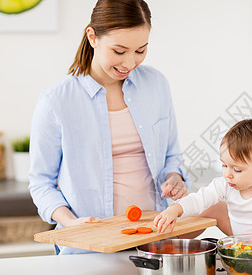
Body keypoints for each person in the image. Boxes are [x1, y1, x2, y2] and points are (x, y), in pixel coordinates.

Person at [29, 0, 190, 255]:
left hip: (154, 240)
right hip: (88, 246)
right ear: (92, 37)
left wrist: (175, 178)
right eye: (119, 51)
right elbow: (40, 183)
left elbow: (172, 156)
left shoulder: (156, 85)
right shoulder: (56, 102)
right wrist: (71, 223)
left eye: (140, 50)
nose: (130, 63)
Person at [154, 119, 252, 238]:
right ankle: (171, 241)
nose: (228, 174)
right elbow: (199, 199)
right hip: (241, 241)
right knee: (208, 205)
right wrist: (174, 209)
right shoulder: (225, 184)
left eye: (237, 169)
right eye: (224, 165)